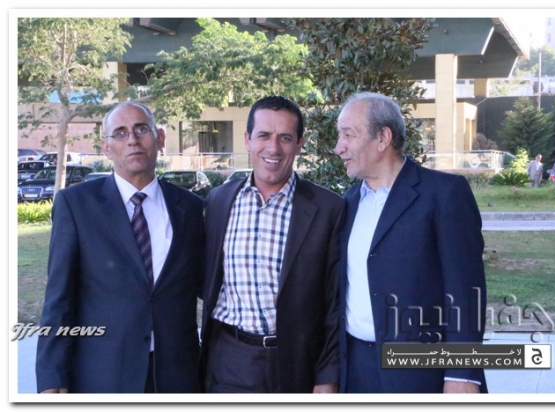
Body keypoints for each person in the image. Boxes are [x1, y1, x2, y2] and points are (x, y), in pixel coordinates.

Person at [35, 101, 204, 393]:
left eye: (141, 129)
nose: (133, 140)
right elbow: (59, 299)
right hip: (104, 376)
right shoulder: (76, 205)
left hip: (178, 376)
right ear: (106, 148)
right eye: (120, 133)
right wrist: (52, 377)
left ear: (160, 138)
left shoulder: (190, 207)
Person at [334, 92, 487, 393]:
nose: (339, 147)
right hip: (355, 371)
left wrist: (463, 374)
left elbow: (466, 290)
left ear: (383, 138)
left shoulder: (444, 194)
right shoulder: (348, 202)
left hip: (422, 374)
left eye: (348, 135)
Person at [200, 95, 345, 393]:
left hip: (297, 364)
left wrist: (326, 377)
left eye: (285, 138)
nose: (273, 148)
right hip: (229, 360)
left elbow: (335, 304)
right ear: (247, 140)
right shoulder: (219, 201)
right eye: (264, 135)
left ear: (299, 144)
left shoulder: (328, 209)